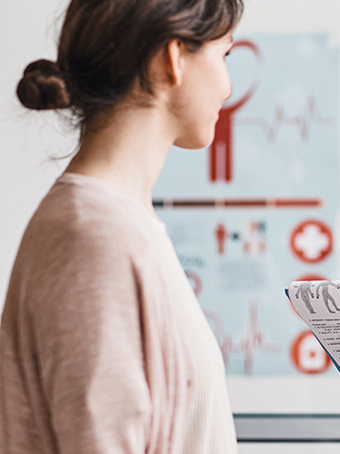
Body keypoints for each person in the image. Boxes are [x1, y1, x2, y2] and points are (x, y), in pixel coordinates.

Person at [0, 0, 243, 452]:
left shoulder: (121, 224)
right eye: (225, 55)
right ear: (172, 58)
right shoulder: (91, 238)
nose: (228, 87)